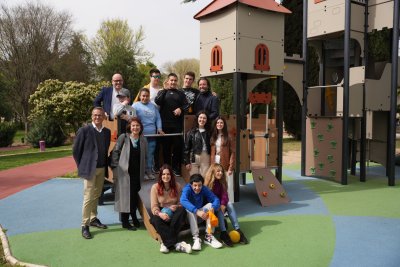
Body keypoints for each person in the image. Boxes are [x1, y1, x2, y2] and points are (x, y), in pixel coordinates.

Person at [73, 107, 111, 239]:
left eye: (100, 115)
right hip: (89, 170)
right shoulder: (84, 130)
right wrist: (82, 166)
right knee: (88, 197)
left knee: (96, 195)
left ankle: (93, 218)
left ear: (104, 117)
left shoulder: (107, 131)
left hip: (102, 168)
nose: (98, 117)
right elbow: (76, 151)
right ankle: (85, 225)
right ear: (92, 116)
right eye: (95, 115)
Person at [110, 117, 148, 231]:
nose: (135, 127)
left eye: (137, 125)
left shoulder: (143, 140)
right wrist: (116, 168)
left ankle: (133, 217)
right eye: (133, 125)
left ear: (140, 127)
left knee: (133, 196)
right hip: (124, 172)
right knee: (126, 196)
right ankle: (127, 221)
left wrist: (145, 169)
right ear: (129, 127)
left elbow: (146, 157)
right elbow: (115, 152)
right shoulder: (124, 137)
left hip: (137, 172)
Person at [150, 164, 191, 254]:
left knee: (182, 211)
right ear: (160, 176)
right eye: (163, 174)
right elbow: (154, 207)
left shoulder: (177, 186)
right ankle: (176, 244)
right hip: (162, 213)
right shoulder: (155, 187)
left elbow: (181, 204)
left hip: (174, 214)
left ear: (171, 175)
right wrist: (160, 214)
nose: (166, 176)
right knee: (155, 219)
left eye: (168, 174)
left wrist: (176, 207)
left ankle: (165, 243)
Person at [204, 164, 248, 247]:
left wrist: (223, 204)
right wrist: (218, 205)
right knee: (219, 208)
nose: (220, 173)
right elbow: (207, 199)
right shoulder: (207, 183)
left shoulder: (222, 181)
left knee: (229, 204)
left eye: (221, 171)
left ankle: (238, 229)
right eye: (218, 171)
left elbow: (225, 195)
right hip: (211, 207)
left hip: (220, 204)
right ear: (213, 172)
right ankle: (223, 232)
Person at [155, 73, 189, 177]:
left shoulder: (180, 94)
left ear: (177, 81)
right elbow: (158, 102)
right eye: (171, 80)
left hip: (177, 126)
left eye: (175, 80)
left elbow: (186, 105)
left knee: (178, 147)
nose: (173, 82)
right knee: (166, 148)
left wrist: (180, 109)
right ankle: (167, 167)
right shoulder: (162, 92)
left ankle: (175, 167)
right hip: (165, 125)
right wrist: (164, 90)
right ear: (168, 81)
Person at [180, 174, 222, 250]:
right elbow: (183, 200)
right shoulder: (187, 189)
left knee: (210, 205)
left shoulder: (204, 189)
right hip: (188, 219)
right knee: (190, 209)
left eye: (199, 185)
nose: (197, 188)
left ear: (202, 184)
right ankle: (196, 238)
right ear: (191, 184)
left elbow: (216, 199)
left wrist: (213, 208)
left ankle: (209, 236)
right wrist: (196, 211)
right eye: (195, 185)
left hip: (200, 217)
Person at [134, 69, 163, 173]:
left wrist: (159, 129)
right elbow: (133, 120)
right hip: (141, 135)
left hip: (152, 136)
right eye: (143, 96)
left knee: (150, 154)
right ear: (140, 96)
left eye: (147, 96)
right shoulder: (136, 105)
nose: (145, 98)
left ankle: (149, 170)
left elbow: (158, 118)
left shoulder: (152, 106)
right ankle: (141, 172)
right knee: (141, 154)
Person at [183, 110, 213, 178]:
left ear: (207, 120)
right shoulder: (190, 132)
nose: (202, 120)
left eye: (204, 118)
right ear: (197, 118)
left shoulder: (210, 132)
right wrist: (187, 162)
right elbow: (186, 148)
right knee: (194, 179)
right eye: (200, 117)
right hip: (194, 157)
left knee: (205, 178)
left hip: (206, 156)